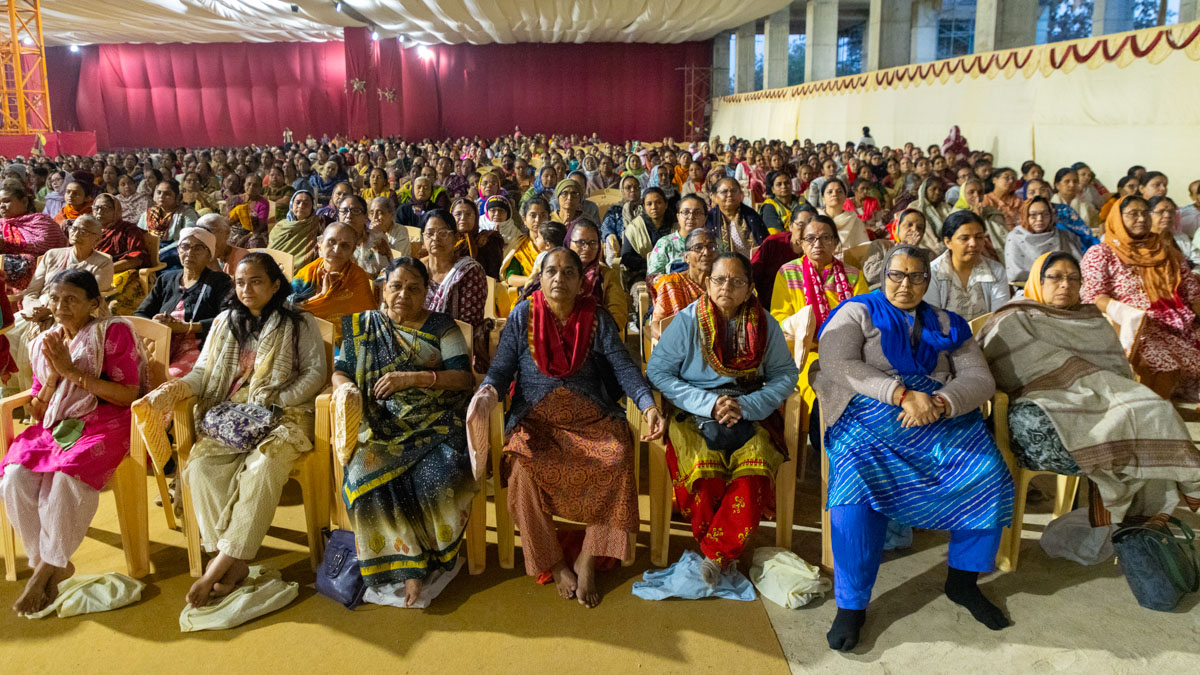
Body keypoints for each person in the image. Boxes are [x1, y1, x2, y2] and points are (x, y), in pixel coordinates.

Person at [813, 244, 1013, 652]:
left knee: (987, 472)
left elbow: (979, 377)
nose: (905, 284)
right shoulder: (856, 312)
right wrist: (901, 394)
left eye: (916, 276)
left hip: (938, 414)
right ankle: (851, 605)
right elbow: (838, 364)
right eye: (896, 275)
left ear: (928, 279)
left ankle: (963, 582)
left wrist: (940, 401)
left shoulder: (949, 322)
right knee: (855, 482)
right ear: (882, 275)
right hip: (870, 414)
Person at [136, 253, 327, 608]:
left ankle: (219, 566)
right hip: (231, 416)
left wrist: (275, 401)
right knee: (200, 467)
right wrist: (177, 388)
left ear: (275, 284)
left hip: (284, 413)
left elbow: (315, 372)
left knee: (264, 467)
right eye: (240, 282)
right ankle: (231, 561)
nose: (246, 289)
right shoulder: (225, 321)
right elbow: (203, 372)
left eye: (256, 281)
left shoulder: (299, 320)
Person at [477, 247, 664, 607]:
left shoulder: (596, 318)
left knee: (618, 457)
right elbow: (500, 370)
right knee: (521, 471)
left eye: (568, 273)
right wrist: (486, 393)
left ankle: (588, 559)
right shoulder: (523, 315)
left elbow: (624, 368)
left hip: (590, 418)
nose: (559, 279)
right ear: (540, 278)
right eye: (551, 271)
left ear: (581, 282)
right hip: (537, 421)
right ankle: (556, 563)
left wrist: (648, 404)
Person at [979, 252, 1200, 530]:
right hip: (1038, 404)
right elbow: (1004, 370)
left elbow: (1115, 372)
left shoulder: (1090, 318)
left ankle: (1159, 505)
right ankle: (1131, 513)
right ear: (1038, 280)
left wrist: (1092, 387)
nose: (1065, 284)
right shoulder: (1014, 318)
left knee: (1156, 409)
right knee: (1120, 426)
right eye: (1055, 277)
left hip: (1099, 395)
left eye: (1074, 279)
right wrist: (1068, 381)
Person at [646, 252, 798, 583]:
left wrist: (748, 405)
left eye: (736, 281)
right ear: (707, 283)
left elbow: (786, 375)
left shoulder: (764, 324)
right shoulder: (687, 321)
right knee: (701, 466)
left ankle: (715, 555)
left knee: (756, 464)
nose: (726, 287)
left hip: (750, 407)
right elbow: (658, 371)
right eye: (719, 279)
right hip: (695, 409)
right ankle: (721, 550)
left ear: (750, 288)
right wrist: (709, 404)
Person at [334, 258, 478, 607]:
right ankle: (407, 567)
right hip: (380, 423)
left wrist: (412, 378)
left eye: (414, 288)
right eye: (396, 286)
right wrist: (346, 390)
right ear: (383, 288)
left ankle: (432, 558)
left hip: (436, 422)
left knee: (437, 475)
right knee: (363, 474)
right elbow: (341, 371)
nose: (403, 294)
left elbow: (463, 378)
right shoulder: (363, 326)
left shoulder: (442, 327)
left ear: (427, 292)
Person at [1, 269, 146, 615]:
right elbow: (39, 410)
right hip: (59, 424)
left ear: (93, 303)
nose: (60, 306)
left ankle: (45, 571)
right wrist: (53, 377)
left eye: (71, 299)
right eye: (54, 298)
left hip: (107, 420)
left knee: (66, 476)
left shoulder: (113, 331)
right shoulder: (46, 341)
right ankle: (50, 564)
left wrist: (71, 372)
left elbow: (128, 394)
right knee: (14, 478)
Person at [1081, 196, 1200, 400]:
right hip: (1137, 327)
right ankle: (1154, 408)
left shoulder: (1167, 252)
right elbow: (1093, 295)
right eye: (1133, 214)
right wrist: (1124, 313)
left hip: (1180, 325)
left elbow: (1193, 293)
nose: (1141, 219)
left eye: (1145, 213)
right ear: (1118, 218)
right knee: (1164, 364)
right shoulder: (1102, 253)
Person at [8, 215, 114, 393]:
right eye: (74, 228)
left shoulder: (103, 263)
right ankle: (14, 391)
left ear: (97, 239)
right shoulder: (52, 255)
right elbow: (32, 291)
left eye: (84, 231)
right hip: (39, 309)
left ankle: (40, 393)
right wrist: (33, 309)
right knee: (7, 333)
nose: (76, 233)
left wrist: (50, 312)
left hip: (77, 313)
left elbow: (88, 298)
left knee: (40, 342)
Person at [135, 227, 232, 377]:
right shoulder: (166, 279)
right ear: (178, 250)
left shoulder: (220, 282)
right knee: (134, 374)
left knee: (171, 377)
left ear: (209, 255)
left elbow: (228, 319)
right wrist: (155, 323)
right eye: (185, 246)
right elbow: (141, 313)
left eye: (198, 248)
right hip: (161, 343)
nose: (190, 252)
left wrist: (187, 328)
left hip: (197, 346)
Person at [420, 209, 491, 372]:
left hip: (456, 349)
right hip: (415, 344)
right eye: (430, 233)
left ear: (456, 238)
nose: (435, 238)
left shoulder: (468, 271)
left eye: (443, 233)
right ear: (423, 238)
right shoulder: (416, 269)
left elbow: (467, 325)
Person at [290, 222, 376, 345]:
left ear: (352, 251)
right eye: (331, 242)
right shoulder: (307, 273)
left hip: (346, 344)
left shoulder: (357, 277)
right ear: (320, 244)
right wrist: (321, 296)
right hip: (305, 338)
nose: (337, 250)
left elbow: (367, 321)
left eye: (345, 246)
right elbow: (287, 309)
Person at [926, 211, 1010, 321]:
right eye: (964, 238)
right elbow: (933, 319)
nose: (973, 244)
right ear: (948, 242)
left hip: (987, 331)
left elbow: (999, 318)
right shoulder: (933, 273)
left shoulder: (996, 271)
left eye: (979, 237)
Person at [1, 183, 68, 293]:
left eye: (6, 201)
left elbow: (43, 243)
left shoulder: (41, 221)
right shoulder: (1, 224)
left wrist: (5, 243)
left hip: (36, 270)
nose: (2, 206)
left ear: (24, 201)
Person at [650, 228, 716, 333]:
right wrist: (665, 339)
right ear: (686, 257)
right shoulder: (671, 284)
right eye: (698, 247)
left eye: (711, 247)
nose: (706, 252)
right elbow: (656, 324)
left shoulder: (722, 284)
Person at [1004, 197, 1081, 284]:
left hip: (1062, 284)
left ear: (1051, 216)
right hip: (1026, 287)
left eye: (1045, 214)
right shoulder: (1015, 237)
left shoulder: (1063, 235)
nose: (1040, 219)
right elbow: (1015, 274)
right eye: (1033, 215)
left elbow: (1076, 266)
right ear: (1025, 216)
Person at [619, 187, 673, 288]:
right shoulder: (635, 228)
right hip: (641, 274)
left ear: (666, 205)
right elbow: (627, 257)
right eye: (649, 204)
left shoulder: (675, 226)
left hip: (671, 273)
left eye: (658, 203)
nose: (654, 207)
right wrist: (652, 264)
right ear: (644, 207)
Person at [137, 180, 198, 267]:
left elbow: (187, 237)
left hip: (173, 252)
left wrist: (160, 252)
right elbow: (139, 236)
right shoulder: (148, 214)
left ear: (177, 197)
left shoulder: (186, 213)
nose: (161, 196)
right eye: (159, 193)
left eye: (167, 194)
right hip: (149, 251)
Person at [646, 194, 708, 277]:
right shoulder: (665, 243)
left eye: (697, 213)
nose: (691, 217)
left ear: (705, 218)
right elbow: (652, 279)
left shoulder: (712, 244)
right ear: (678, 217)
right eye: (686, 212)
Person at [706, 178, 768, 257]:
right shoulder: (710, 219)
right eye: (724, 191)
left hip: (752, 263)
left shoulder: (751, 216)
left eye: (734, 191)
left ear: (740, 194)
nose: (729, 194)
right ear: (714, 196)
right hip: (720, 263)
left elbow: (764, 245)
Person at [502, 198, 552, 289]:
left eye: (543, 215)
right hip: (527, 293)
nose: (538, 220)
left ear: (549, 218)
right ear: (524, 219)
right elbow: (510, 278)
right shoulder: (519, 246)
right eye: (533, 215)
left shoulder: (557, 243)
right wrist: (537, 281)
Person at [450, 197, 504, 279]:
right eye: (458, 214)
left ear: (476, 217)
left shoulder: (487, 240)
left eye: (468, 214)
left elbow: (494, 276)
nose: (463, 218)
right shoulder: (446, 243)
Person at [267, 189, 322, 270]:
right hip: (276, 267)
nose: (301, 206)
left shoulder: (318, 223)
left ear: (312, 206)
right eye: (298, 202)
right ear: (291, 204)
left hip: (303, 271)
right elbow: (271, 250)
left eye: (306, 203)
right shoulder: (280, 226)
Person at [600, 175, 644, 266]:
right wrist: (611, 236)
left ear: (640, 190)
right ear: (622, 191)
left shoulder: (646, 207)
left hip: (644, 247)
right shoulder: (615, 210)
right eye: (628, 188)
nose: (633, 190)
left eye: (636, 187)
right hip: (622, 249)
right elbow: (606, 227)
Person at [820, 179, 870, 251]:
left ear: (845, 197)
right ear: (823, 199)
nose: (834, 194)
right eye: (830, 192)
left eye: (839, 191)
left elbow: (864, 248)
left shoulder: (854, 221)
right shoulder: (817, 221)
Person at [760, 171, 803, 235]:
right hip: (781, 240)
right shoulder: (769, 206)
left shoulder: (801, 201)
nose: (784, 186)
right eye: (779, 184)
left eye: (787, 183)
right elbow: (776, 233)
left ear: (792, 186)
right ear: (773, 190)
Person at [981, 167, 1020, 232]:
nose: (1011, 181)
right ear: (994, 180)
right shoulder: (985, 200)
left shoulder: (1019, 202)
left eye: (1014, 179)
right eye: (1006, 177)